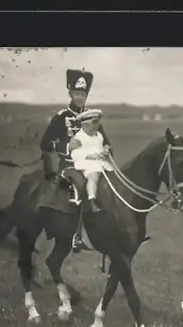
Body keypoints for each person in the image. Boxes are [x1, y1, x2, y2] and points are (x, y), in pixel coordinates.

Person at [39, 68, 112, 252]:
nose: (80, 97)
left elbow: (106, 142)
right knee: (82, 187)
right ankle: (76, 235)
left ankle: (112, 232)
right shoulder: (61, 117)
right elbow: (45, 143)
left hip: (93, 164)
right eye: (77, 93)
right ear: (70, 93)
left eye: (83, 94)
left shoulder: (91, 118)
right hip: (70, 166)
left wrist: (105, 148)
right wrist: (66, 147)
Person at [70, 109, 113, 213]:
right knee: (93, 177)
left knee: (112, 176)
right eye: (94, 123)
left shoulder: (99, 136)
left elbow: (100, 147)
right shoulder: (78, 137)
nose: (97, 125)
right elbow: (75, 154)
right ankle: (92, 200)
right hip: (86, 164)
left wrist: (105, 150)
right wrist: (91, 156)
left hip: (101, 163)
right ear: (85, 124)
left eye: (97, 122)